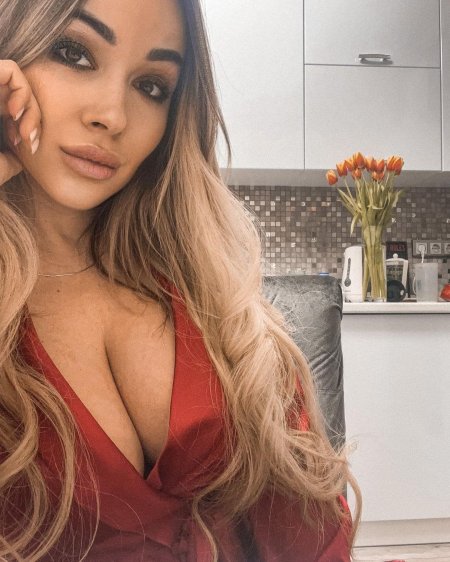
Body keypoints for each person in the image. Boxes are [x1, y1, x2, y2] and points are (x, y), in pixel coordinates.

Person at [0, 0, 361, 560]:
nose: (113, 116)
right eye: (73, 54)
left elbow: (312, 532)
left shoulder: (217, 305)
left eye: (152, 86)